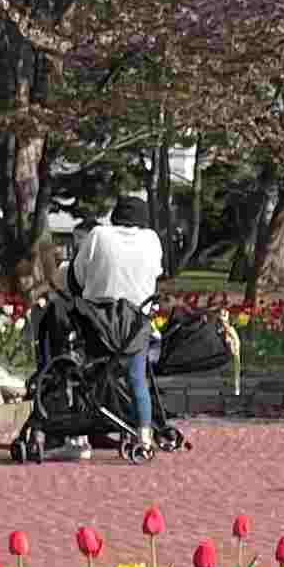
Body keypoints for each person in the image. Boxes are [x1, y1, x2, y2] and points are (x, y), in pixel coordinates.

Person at [67, 188, 167, 449]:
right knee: (136, 377)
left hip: (99, 321)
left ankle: (80, 437)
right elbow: (156, 273)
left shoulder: (99, 235)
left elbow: (77, 276)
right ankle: (144, 435)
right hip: (135, 323)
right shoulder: (152, 240)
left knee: (88, 373)